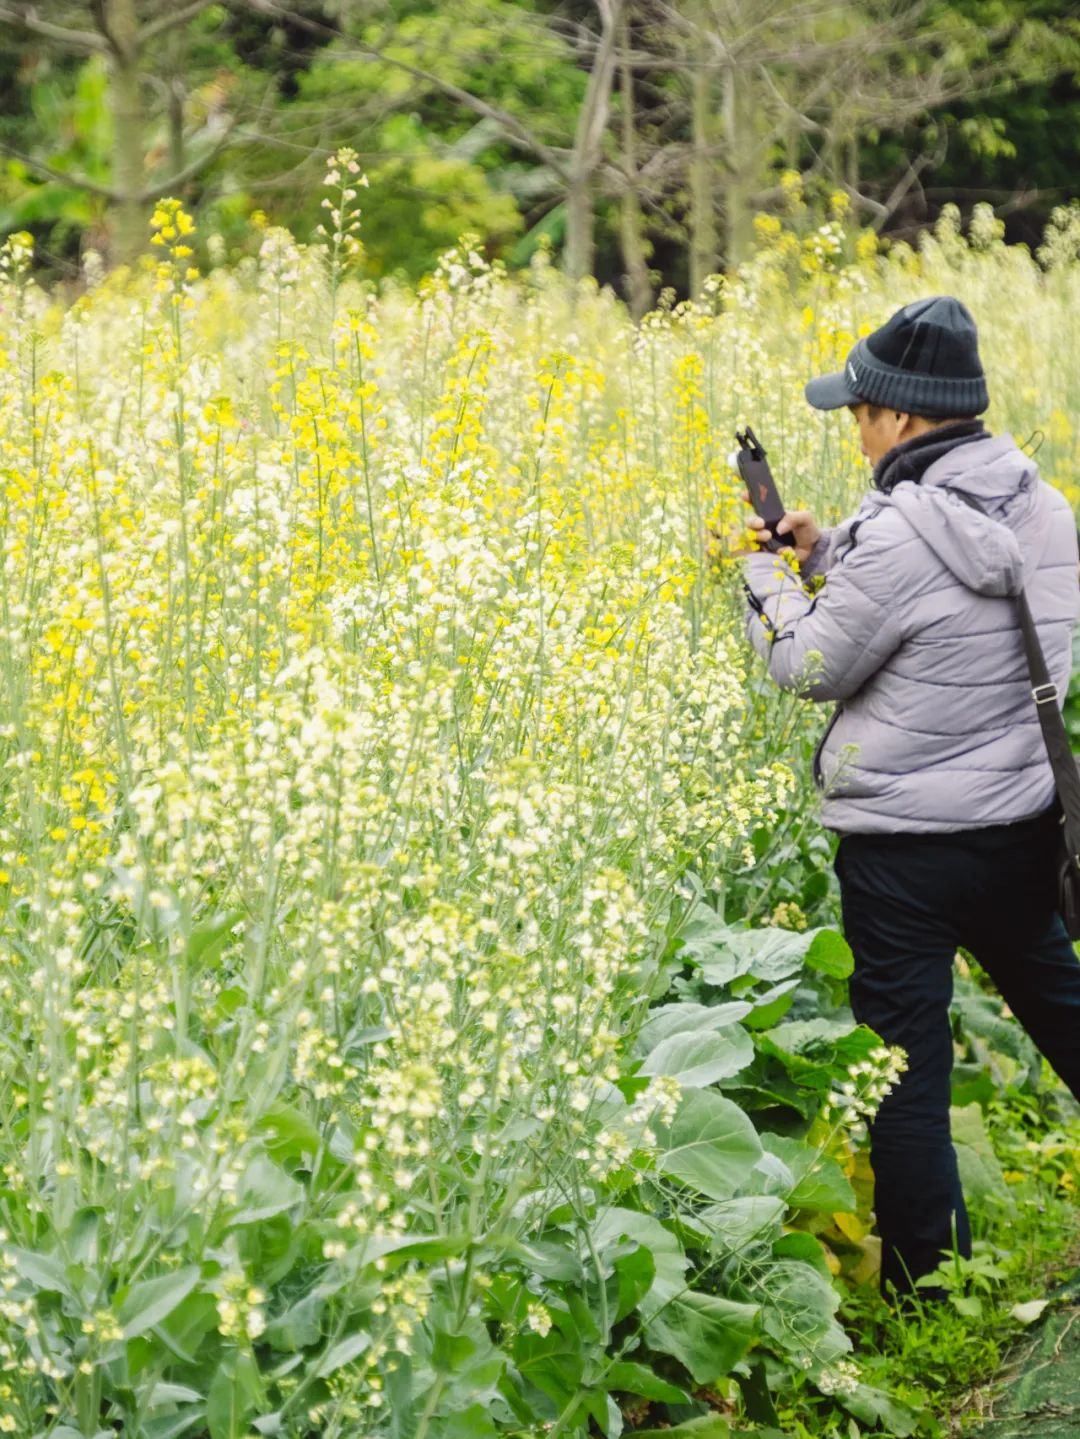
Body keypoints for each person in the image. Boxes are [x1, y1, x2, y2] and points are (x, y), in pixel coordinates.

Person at [738, 294, 1080, 1307]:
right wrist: (825, 549)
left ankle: (933, 1293)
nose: (855, 428)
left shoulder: (898, 534)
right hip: (1021, 825)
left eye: (859, 411)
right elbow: (954, 606)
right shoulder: (1046, 509)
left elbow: (808, 664)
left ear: (901, 416)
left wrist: (761, 573)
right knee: (1063, 1009)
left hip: (903, 853)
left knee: (904, 1075)